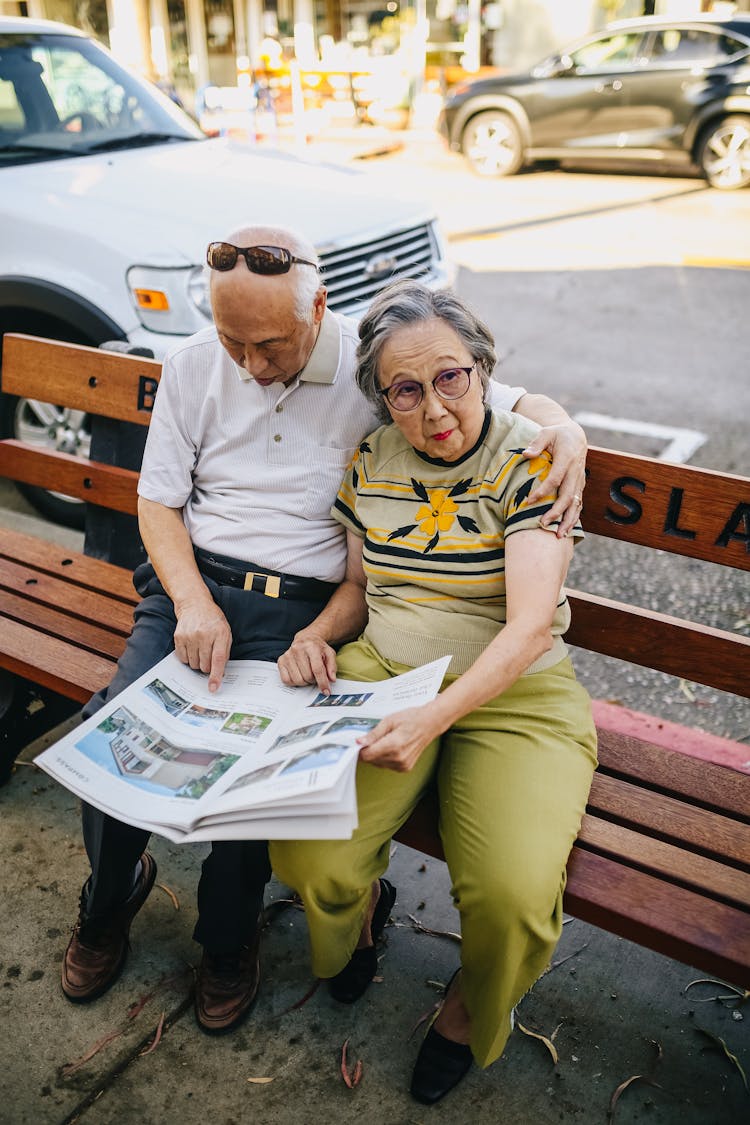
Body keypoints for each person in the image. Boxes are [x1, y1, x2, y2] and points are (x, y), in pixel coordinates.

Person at [61, 225, 588, 1038]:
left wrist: (570, 429)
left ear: (319, 306)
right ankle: (109, 897)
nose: (249, 363)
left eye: (268, 343)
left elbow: (487, 397)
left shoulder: (381, 365)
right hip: (200, 591)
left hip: (311, 611)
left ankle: (231, 941)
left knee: (249, 776)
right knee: (115, 735)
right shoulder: (208, 365)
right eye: (232, 338)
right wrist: (195, 604)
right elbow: (158, 502)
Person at [271, 279, 597, 1103]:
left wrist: (435, 718)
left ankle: (464, 1011)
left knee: (513, 896)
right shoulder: (371, 462)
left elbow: (528, 628)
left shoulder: (532, 458)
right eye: (405, 391)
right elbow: (357, 586)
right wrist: (317, 636)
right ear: (384, 401)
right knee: (304, 849)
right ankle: (364, 911)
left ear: (482, 370)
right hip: (385, 671)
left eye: (450, 377)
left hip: (515, 696)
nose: (433, 408)